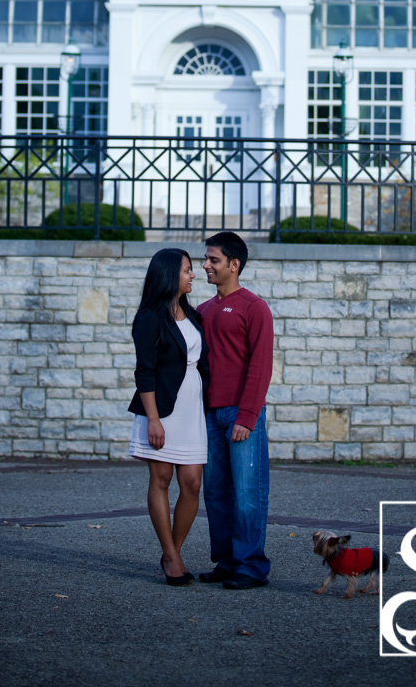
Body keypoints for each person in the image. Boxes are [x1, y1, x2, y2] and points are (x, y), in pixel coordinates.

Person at [197, 231, 274, 590]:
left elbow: (261, 366)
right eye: (206, 259)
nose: (206, 265)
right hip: (208, 416)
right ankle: (227, 561)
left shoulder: (254, 307)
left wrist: (247, 417)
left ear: (234, 264)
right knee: (215, 492)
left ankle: (252, 566)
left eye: (213, 260)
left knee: (247, 494)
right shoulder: (202, 311)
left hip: (241, 416)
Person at [128, 248, 210, 586]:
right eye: (188, 270)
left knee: (191, 484)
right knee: (161, 480)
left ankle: (170, 553)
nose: (193, 275)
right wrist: (153, 419)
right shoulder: (149, 317)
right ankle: (173, 559)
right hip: (160, 409)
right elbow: (144, 372)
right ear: (168, 275)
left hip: (192, 408)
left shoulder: (194, 317)